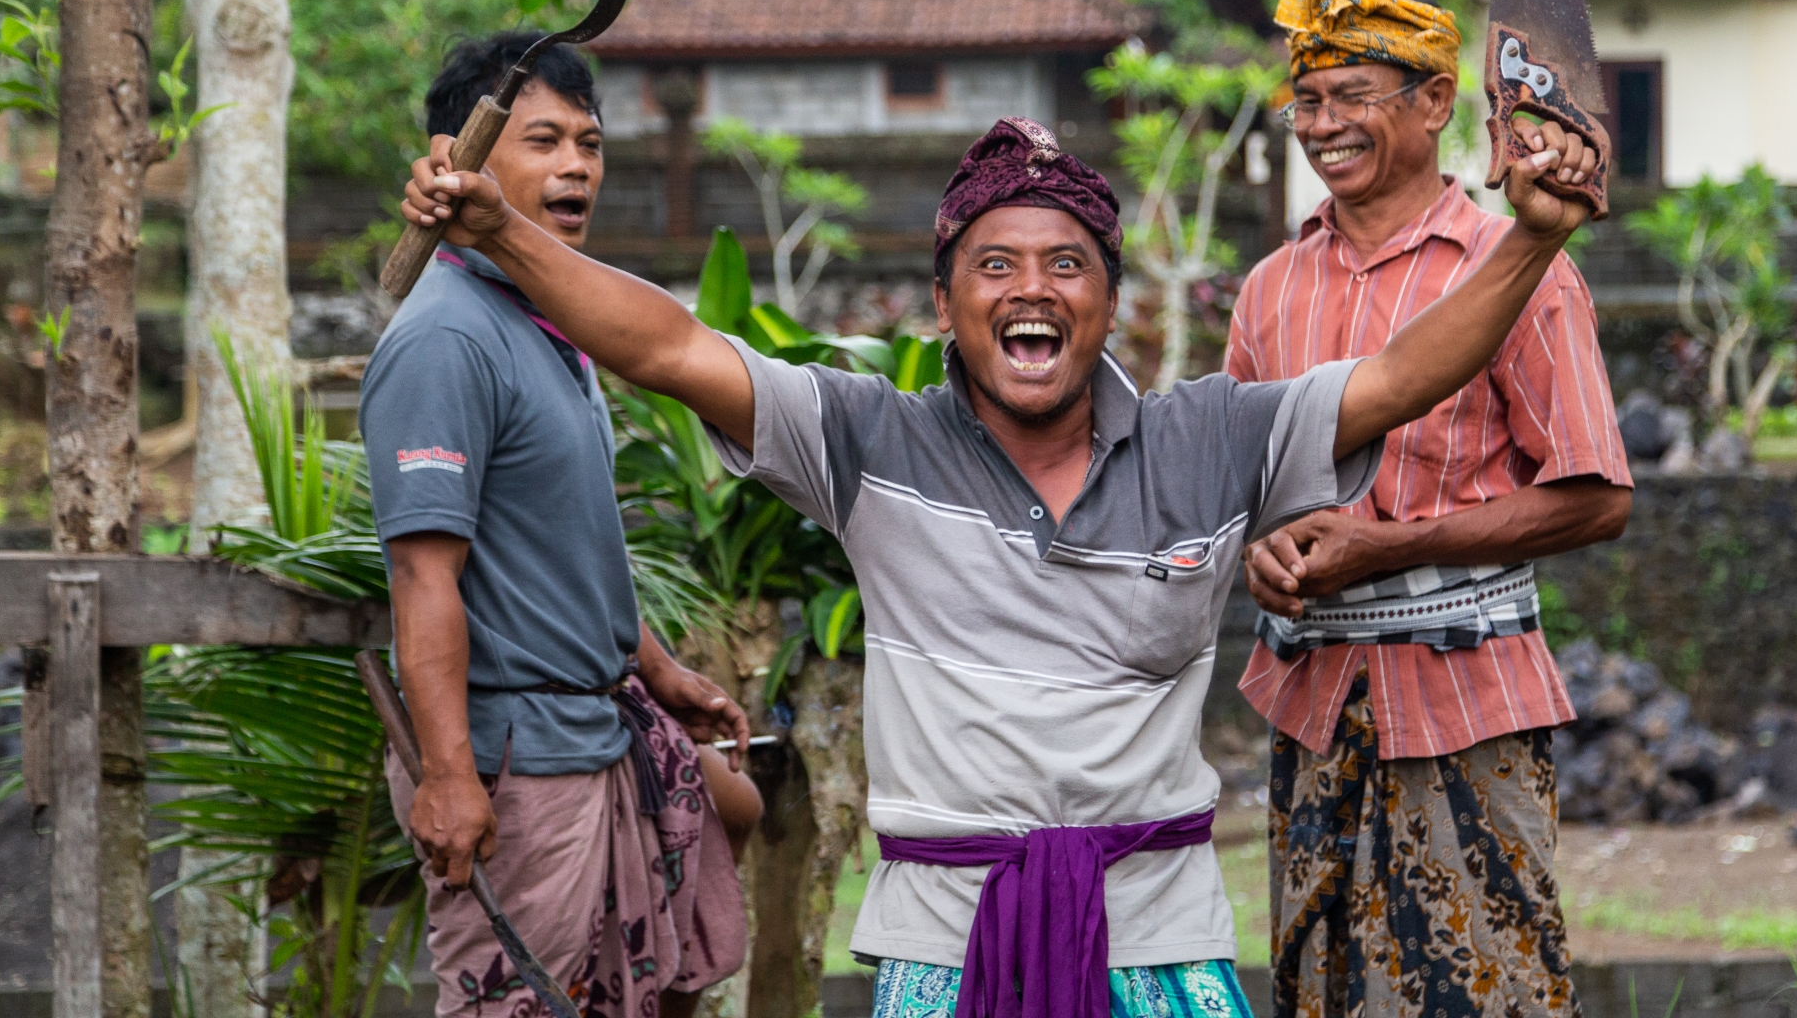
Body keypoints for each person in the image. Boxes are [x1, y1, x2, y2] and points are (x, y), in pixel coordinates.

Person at [397, 90, 1595, 1017]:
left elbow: (1400, 374)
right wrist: (502, 232)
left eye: (1067, 263)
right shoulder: (869, 440)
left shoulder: (1213, 436)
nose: (1034, 289)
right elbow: (668, 345)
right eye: (996, 264)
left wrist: (1531, 239)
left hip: (1158, 936)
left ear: (1108, 300)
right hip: (941, 940)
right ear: (946, 303)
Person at [1226, 0, 1633, 1018]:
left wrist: (1392, 546)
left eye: (1352, 96)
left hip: (1470, 705)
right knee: (1319, 988)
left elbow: (1598, 499)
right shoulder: (1269, 289)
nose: (1323, 125)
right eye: (1306, 101)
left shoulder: (1519, 267)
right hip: (1311, 705)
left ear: (1436, 101)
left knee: (1485, 989)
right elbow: (1238, 492)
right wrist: (1256, 552)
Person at [359, 33, 757, 1018]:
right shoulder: (447, 338)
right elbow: (423, 576)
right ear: (461, 158)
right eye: (543, 140)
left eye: (590, 141)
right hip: (518, 761)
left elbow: (564, 541)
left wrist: (657, 667)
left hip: (598, 725)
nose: (576, 165)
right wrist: (450, 775)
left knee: (733, 810)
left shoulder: (553, 324)